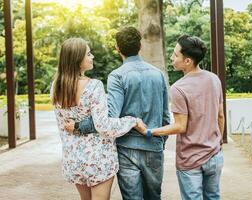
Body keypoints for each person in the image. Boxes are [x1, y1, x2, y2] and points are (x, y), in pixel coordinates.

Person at [64, 27, 171, 200]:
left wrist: (79, 126)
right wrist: (159, 142)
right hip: (153, 145)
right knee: (154, 197)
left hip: (126, 148)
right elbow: (166, 116)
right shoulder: (158, 74)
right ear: (140, 46)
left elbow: (109, 117)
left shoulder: (117, 76)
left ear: (117, 48)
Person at [51, 38, 146, 200]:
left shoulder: (56, 86)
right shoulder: (93, 86)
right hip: (97, 159)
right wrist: (132, 121)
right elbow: (104, 126)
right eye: (88, 54)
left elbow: (63, 126)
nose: (92, 56)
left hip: (73, 159)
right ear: (77, 59)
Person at [139, 35, 225, 200]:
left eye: (176, 54)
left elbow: (180, 126)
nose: (172, 57)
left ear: (188, 61)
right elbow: (220, 116)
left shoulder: (179, 88)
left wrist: (149, 131)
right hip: (214, 155)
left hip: (190, 159)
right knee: (213, 197)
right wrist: (218, 142)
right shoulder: (214, 79)